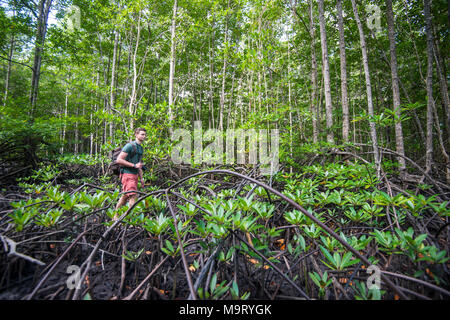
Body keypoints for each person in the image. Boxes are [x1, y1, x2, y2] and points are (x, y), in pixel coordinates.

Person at [114, 128, 147, 220]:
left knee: (125, 196)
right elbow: (119, 160)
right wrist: (133, 165)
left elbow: (139, 164)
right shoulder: (129, 146)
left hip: (134, 175)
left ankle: (116, 217)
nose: (144, 136)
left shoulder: (140, 148)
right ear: (136, 135)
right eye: (142, 134)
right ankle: (130, 219)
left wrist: (141, 178)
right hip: (127, 175)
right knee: (133, 196)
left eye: (144, 135)